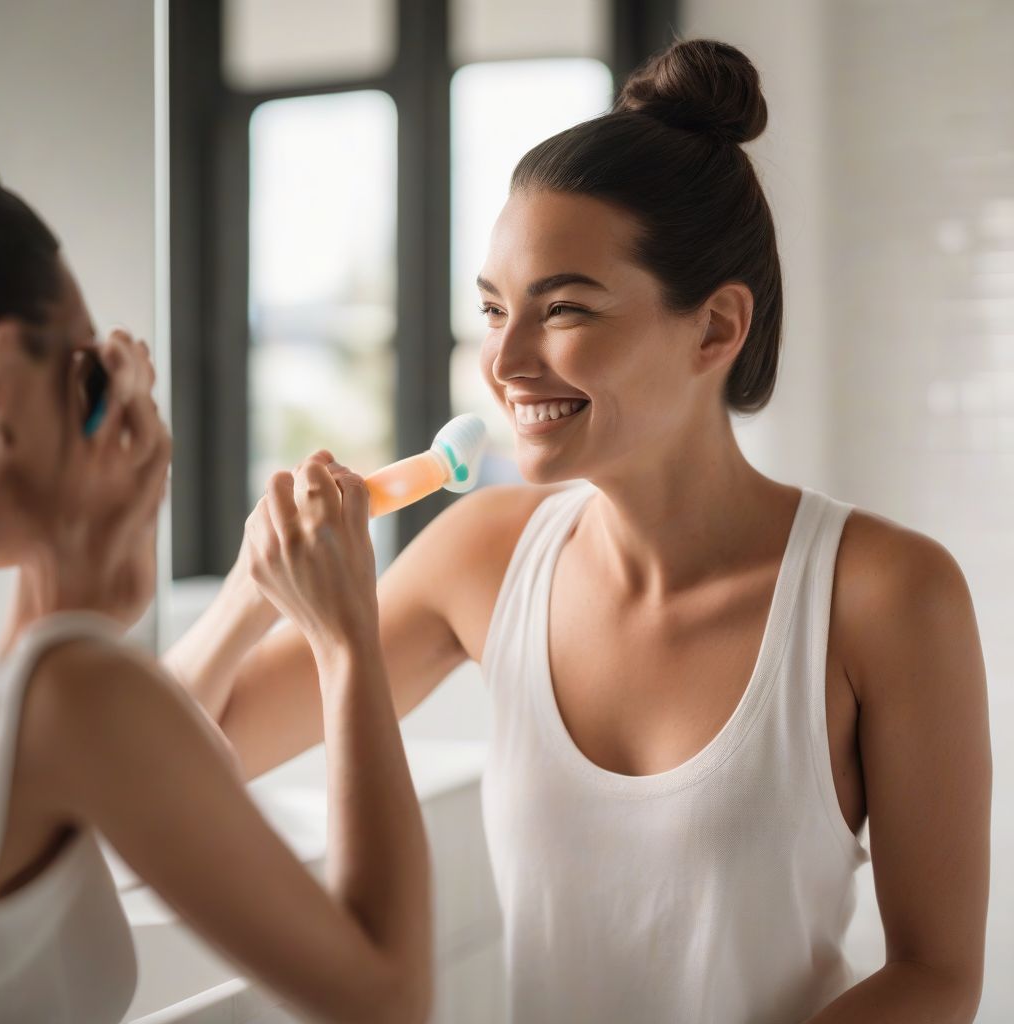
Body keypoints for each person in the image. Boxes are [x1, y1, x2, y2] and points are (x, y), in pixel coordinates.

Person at [170, 38, 992, 1024]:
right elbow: (171, 759)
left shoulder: (886, 593)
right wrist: (247, 590)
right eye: (491, 309)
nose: (505, 359)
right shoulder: (484, 555)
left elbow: (937, 975)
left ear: (715, 330)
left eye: (563, 309)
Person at [0, 168, 431, 1023]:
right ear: (2, 380)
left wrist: (226, 599)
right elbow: (390, 998)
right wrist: (347, 639)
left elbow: (63, 766)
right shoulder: (71, 692)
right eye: (90, 370)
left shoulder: (52, 690)